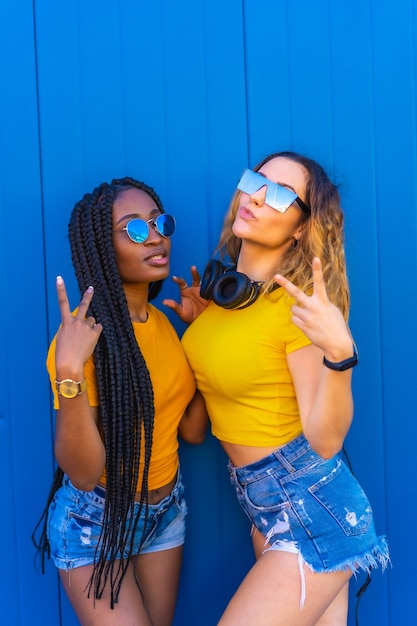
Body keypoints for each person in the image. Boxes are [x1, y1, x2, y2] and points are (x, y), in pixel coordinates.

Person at [165, 152, 390, 626]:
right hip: (264, 504)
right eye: (256, 180)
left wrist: (340, 356)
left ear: (301, 229)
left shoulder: (296, 310)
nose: (258, 195)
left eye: (282, 194)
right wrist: (202, 333)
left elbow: (327, 441)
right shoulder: (221, 303)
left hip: (312, 503)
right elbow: (198, 428)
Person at [32, 176, 207, 626]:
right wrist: (69, 374)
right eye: (133, 229)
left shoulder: (165, 327)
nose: (156, 237)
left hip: (165, 514)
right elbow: (86, 473)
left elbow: (191, 430)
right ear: (100, 247)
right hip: (95, 519)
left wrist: (207, 338)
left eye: (159, 222)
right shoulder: (80, 340)